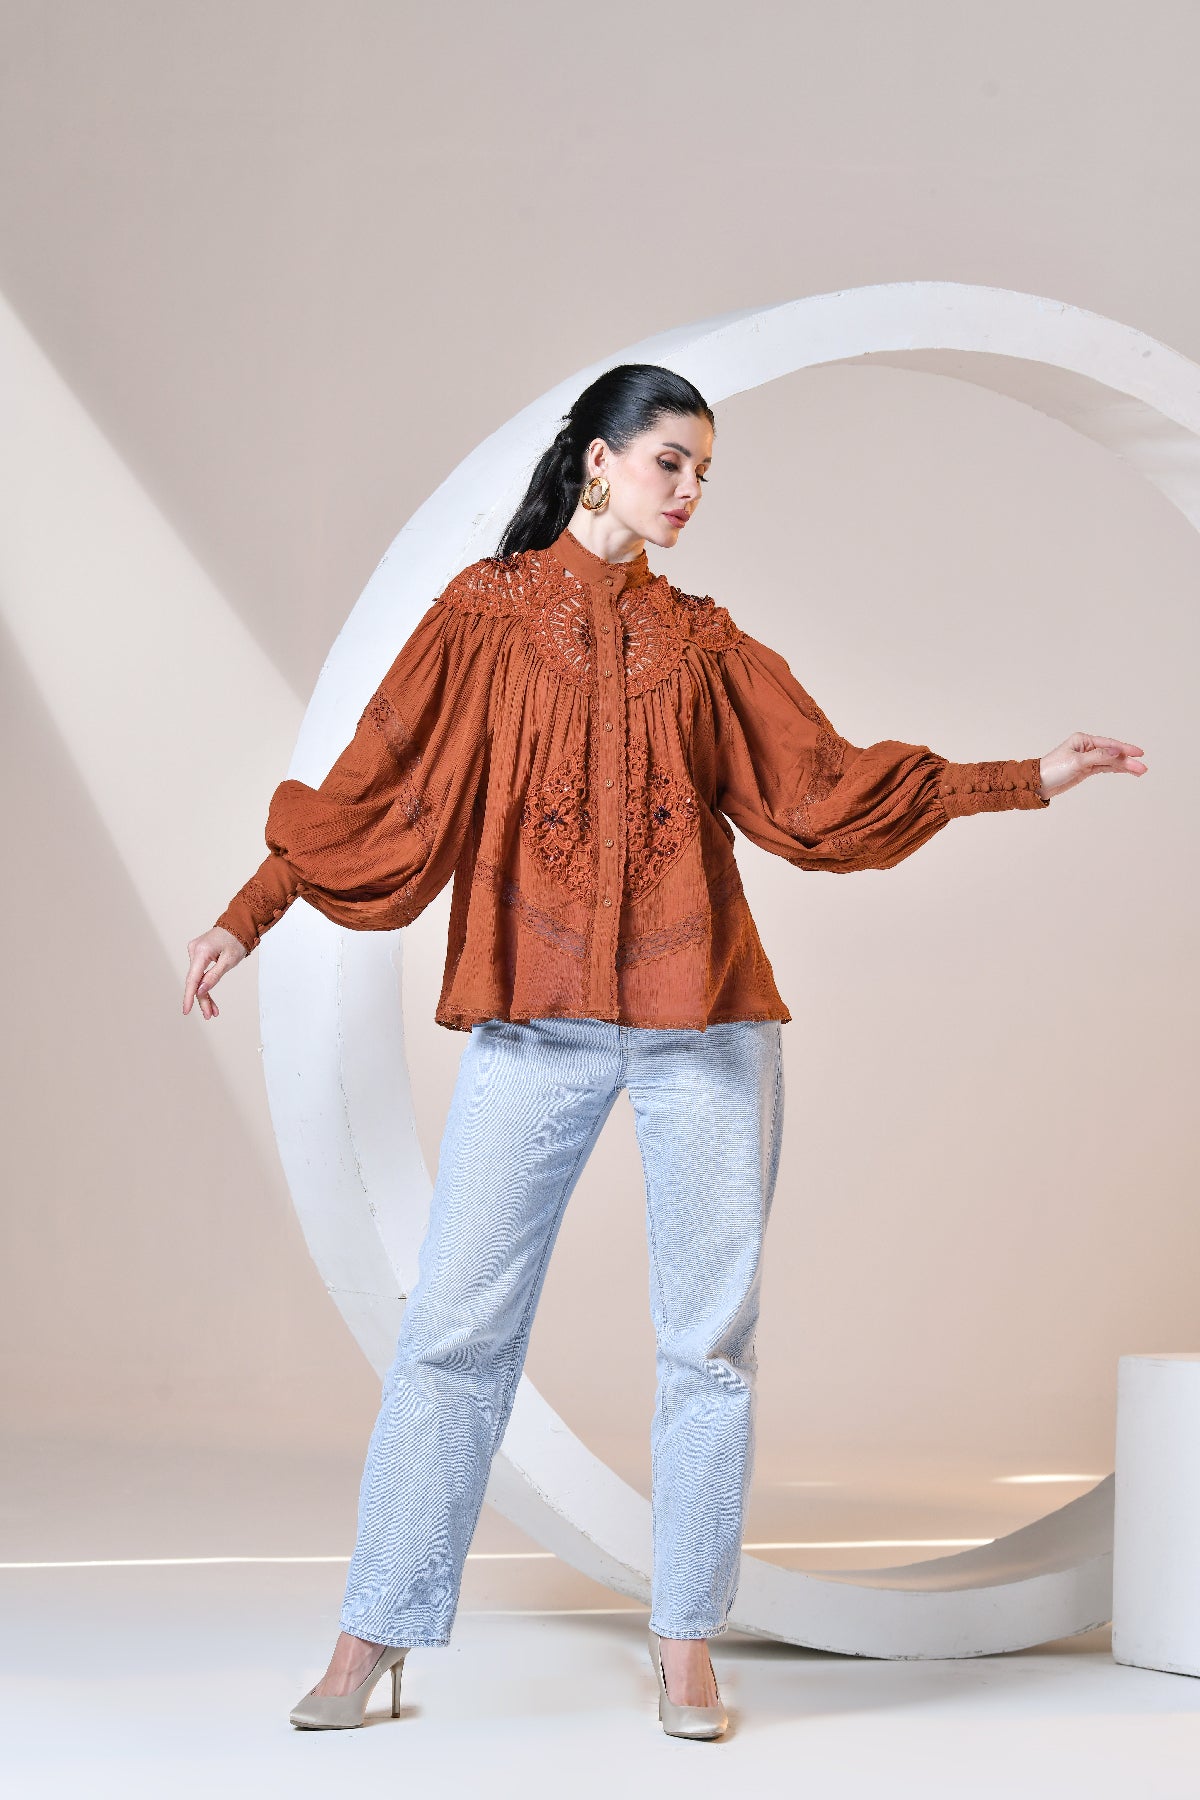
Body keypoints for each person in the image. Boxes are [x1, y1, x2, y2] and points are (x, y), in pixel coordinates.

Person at [182, 362, 1146, 1739]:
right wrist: (248, 915)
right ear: (599, 458)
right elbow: (377, 790)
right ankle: (371, 1632)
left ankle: (687, 1640)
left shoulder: (702, 644)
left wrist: (1021, 779)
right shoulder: (484, 616)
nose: (690, 492)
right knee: (453, 1334)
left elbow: (821, 793)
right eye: (670, 463)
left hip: (708, 1028)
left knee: (710, 1347)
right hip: (534, 1028)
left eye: (704, 474)